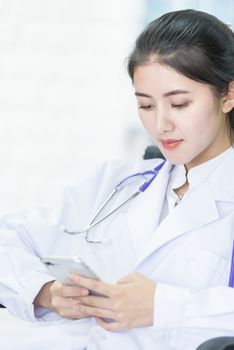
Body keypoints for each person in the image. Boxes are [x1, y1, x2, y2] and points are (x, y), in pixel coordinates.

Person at [0, 8, 234, 350]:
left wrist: (163, 307)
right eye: (146, 106)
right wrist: (46, 293)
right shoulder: (118, 183)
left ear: (228, 95)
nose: (161, 125)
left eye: (180, 104)